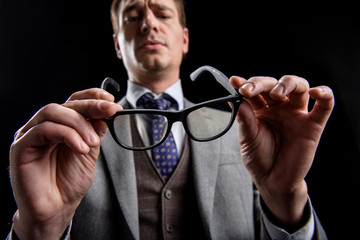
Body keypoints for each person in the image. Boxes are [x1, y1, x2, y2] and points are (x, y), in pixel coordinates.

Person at [7, 0, 334, 239]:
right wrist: (38, 230)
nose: (149, 23)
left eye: (163, 13)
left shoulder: (245, 130)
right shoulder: (72, 140)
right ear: (117, 45)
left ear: (185, 38)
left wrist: (286, 199)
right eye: (133, 17)